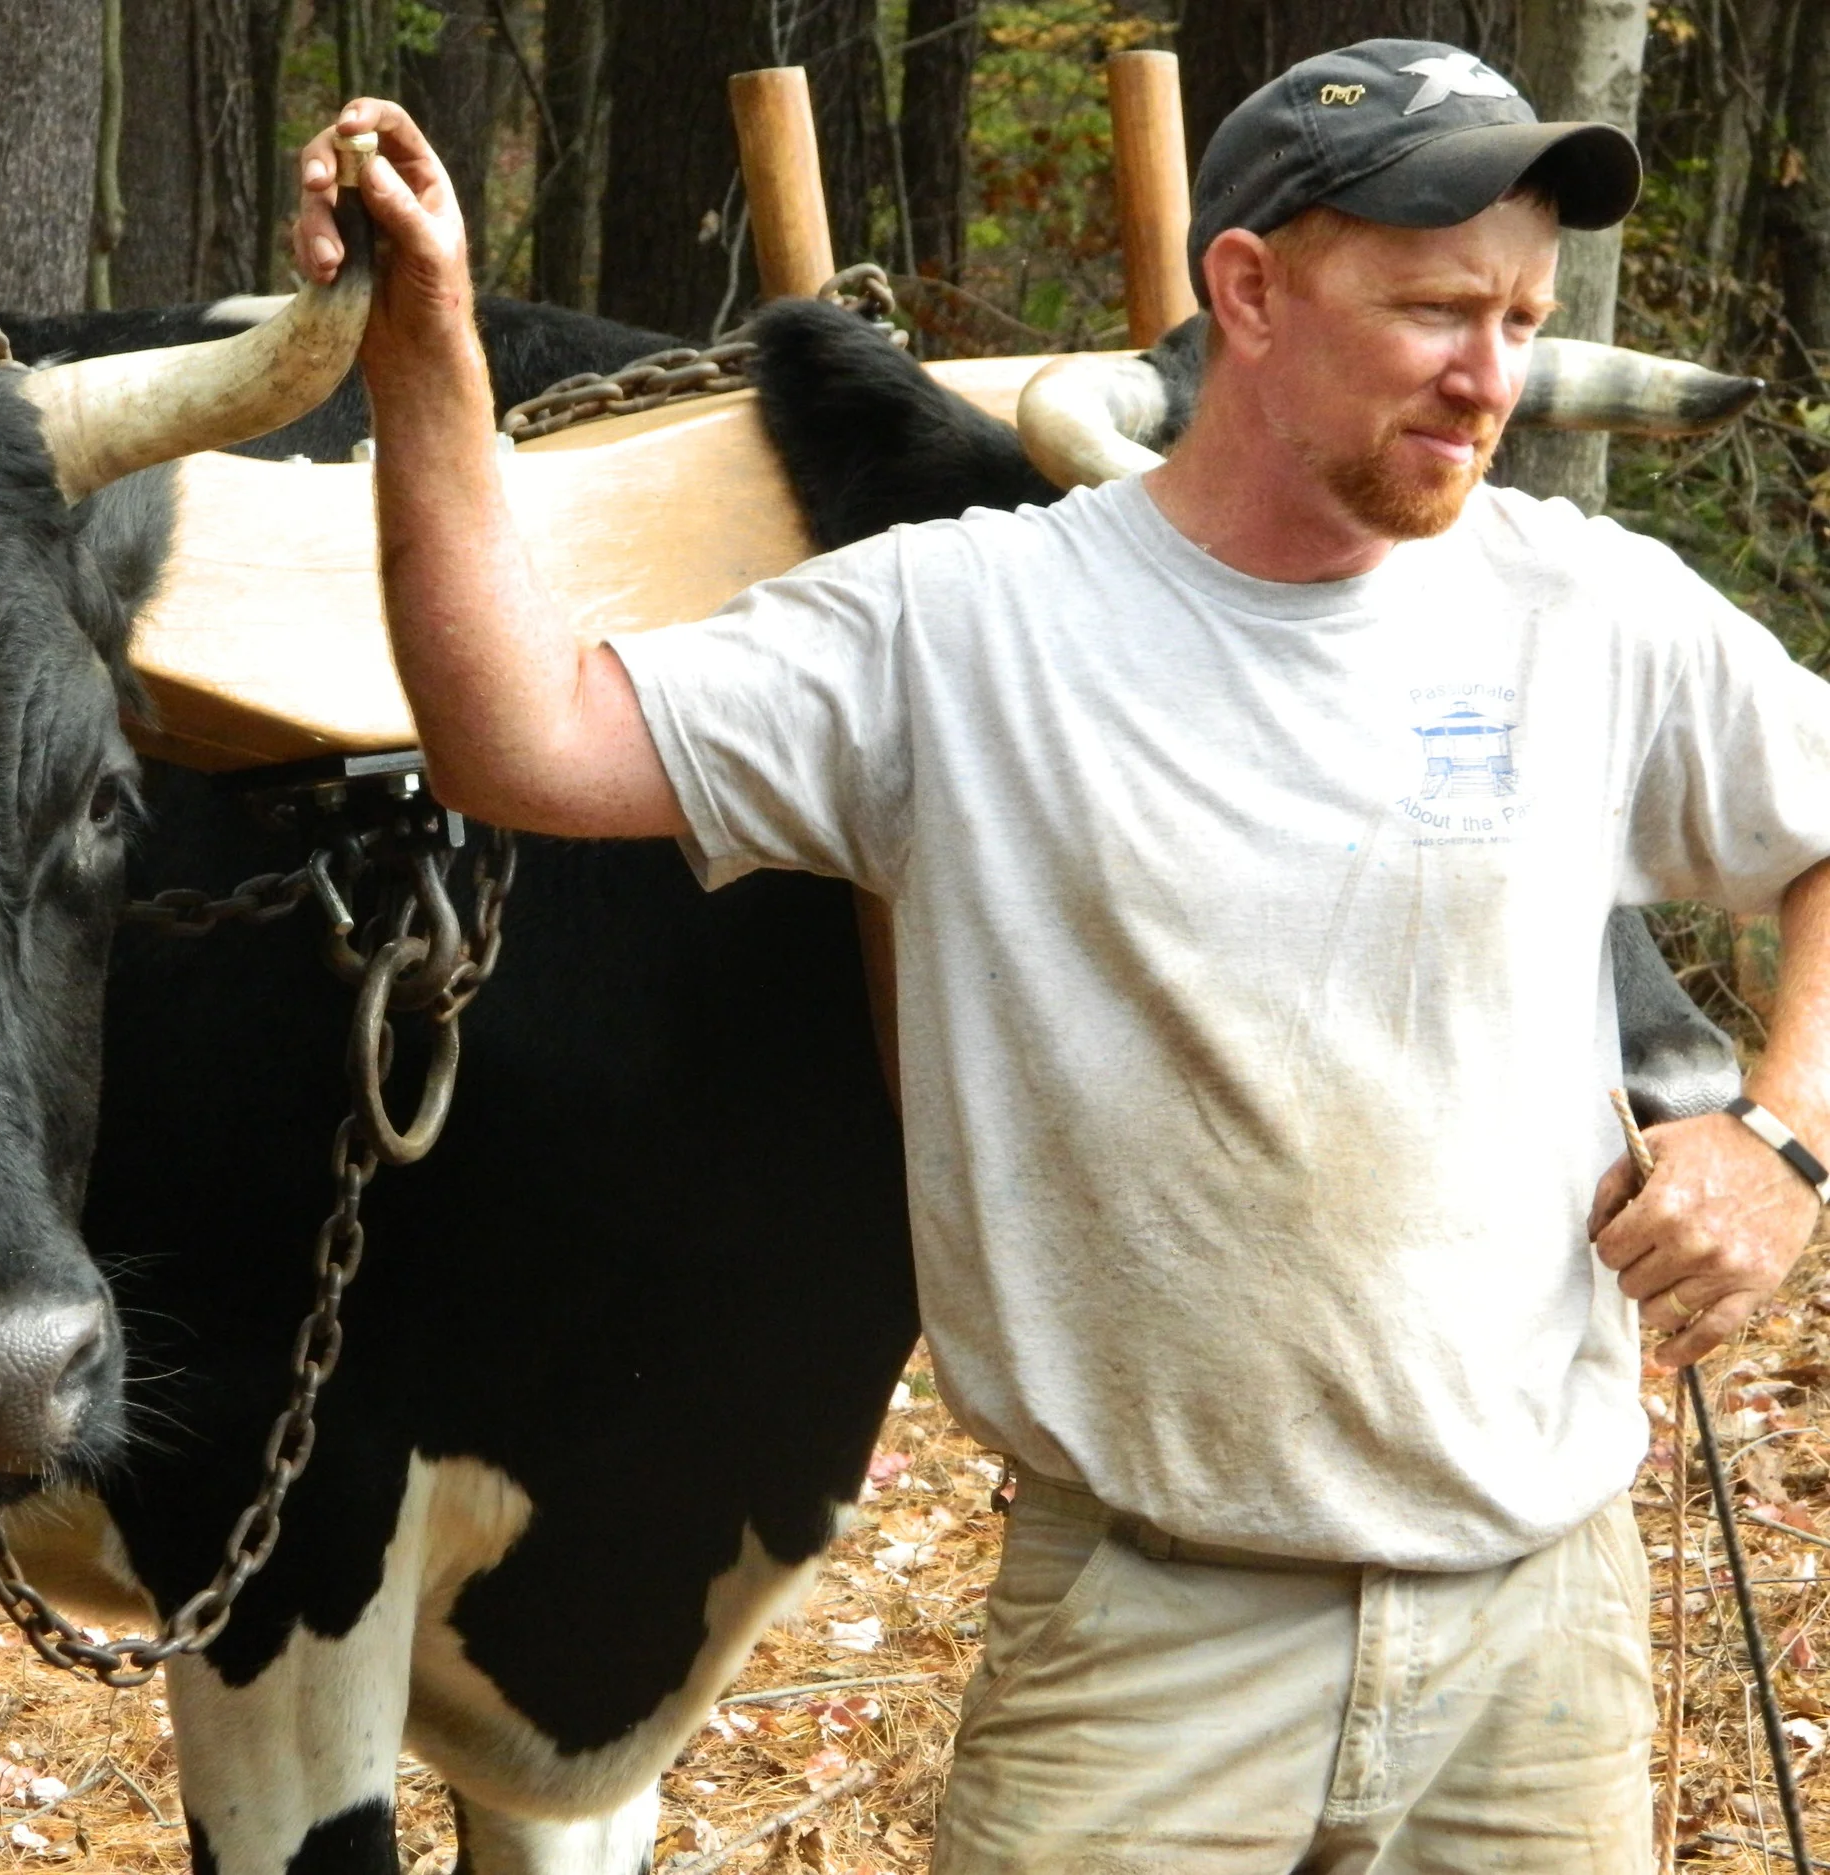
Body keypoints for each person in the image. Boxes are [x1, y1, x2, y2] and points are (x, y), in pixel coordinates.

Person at [290, 39, 1830, 1869]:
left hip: (1538, 1638)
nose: (1489, 373)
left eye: (1520, 314)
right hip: (1150, 1642)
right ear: (1249, 290)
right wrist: (429, 355)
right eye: (1432, 308)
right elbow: (521, 742)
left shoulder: (1587, 610)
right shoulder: (966, 633)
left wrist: (1783, 1132)